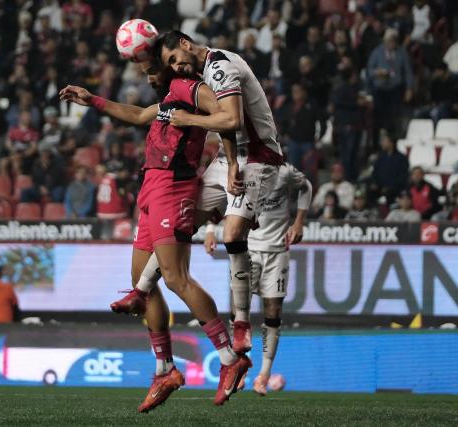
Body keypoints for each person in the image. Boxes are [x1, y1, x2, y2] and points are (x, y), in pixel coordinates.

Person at [60, 57, 250, 410]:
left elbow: (228, 119)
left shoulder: (191, 88)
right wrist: (93, 100)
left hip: (174, 186)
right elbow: (136, 116)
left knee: (177, 278)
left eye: (152, 69)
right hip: (151, 186)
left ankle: (229, 358)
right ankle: (165, 368)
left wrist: (230, 162)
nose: (148, 77)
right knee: (139, 282)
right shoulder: (168, 100)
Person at [128, 30, 283, 357]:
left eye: (174, 59)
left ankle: (240, 320)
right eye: (169, 64)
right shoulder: (198, 73)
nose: (176, 67)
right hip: (230, 157)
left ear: (186, 44)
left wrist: (184, 117)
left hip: (258, 157)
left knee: (233, 232)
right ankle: (141, 290)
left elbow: (231, 119)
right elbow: (224, 127)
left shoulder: (219, 66)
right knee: (181, 225)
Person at [204, 162, 311, 395]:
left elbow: (307, 186)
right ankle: (238, 370)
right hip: (247, 248)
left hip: (277, 251)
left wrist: (299, 221)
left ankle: (264, 374)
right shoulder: (242, 167)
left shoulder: (285, 171)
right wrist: (211, 230)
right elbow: (222, 194)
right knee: (238, 311)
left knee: (273, 314)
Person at [367, 28, 414, 146]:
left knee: (393, 118)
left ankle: (393, 144)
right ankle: (376, 146)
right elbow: (369, 71)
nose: (391, 44)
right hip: (380, 90)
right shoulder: (377, 52)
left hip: (395, 89)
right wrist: (377, 73)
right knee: (378, 119)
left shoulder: (402, 52)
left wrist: (409, 88)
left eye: (393, 41)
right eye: (389, 41)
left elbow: (408, 72)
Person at [279, 83, 325, 174]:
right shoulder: (289, 106)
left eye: (298, 91)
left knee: (309, 170)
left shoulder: (312, 105)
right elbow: (283, 122)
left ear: (304, 92)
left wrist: (319, 137)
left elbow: (322, 122)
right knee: (293, 170)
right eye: (293, 91)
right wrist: (284, 134)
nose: (295, 93)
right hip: (293, 142)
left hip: (308, 142)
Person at [370, 131, 410, 204]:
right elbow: (375, 172)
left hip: (394, 188)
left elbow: (402, 177)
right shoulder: (381, 157)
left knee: (391, 193)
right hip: (380, 187)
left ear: (391, 143)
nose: (382, 143)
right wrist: (374, 182)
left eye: (384, 141)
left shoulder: (401, 158)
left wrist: (389, 187)